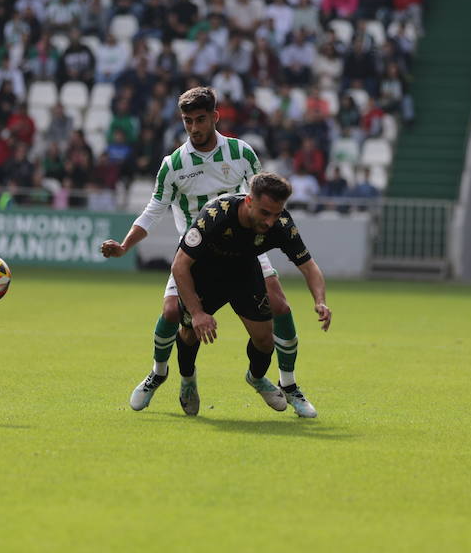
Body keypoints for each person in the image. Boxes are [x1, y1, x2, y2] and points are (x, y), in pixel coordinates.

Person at [99, 87, 318, 417]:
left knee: (280, 306)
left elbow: (261, 195)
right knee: (172, 314)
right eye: (187, 121)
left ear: (215, 117)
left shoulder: (241, 152)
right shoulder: (173, 164)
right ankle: (161, 373)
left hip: (244, 246)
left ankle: (288, 384)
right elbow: (153, 210)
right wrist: (125, 245)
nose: (194, 127)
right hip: (196, 253)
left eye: (200, 120)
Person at [170, 172, 332, 416]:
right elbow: (179, 266)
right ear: (249, 201)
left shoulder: (281, 224)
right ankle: (188, 380)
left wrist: (320, 301)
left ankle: (256, 377)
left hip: (243, 273)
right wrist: (197, 312)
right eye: (265, 213)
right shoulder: (216, 214)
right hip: (203, 275)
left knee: (265, 339)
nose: (270, 221)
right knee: (189, 334)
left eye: (276, 214)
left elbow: (309, 267)